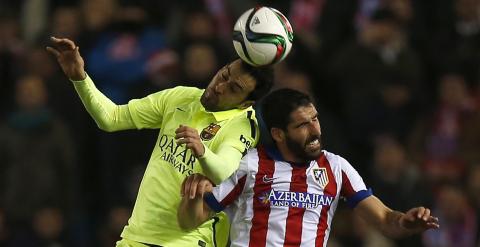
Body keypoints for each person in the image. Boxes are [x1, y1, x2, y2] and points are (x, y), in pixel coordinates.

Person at [46, 36, 274, 247]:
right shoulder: (180, 97)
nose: (220, 86)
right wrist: (80, 78)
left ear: (246, 103)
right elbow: (111, 118)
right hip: (138, 235)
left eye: (234, 88)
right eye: (224, 75)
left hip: (190, 240)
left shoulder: (244, 125)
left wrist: (202, 151)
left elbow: (226, 172)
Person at [178, 88, 440, 246]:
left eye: (315, 119)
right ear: (279, 134)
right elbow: (192, 219)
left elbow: (384, 220)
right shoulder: (250, 164)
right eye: (302, 125)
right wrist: (191, 198)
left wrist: (404, 222)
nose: (315, 130)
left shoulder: (337, 168)